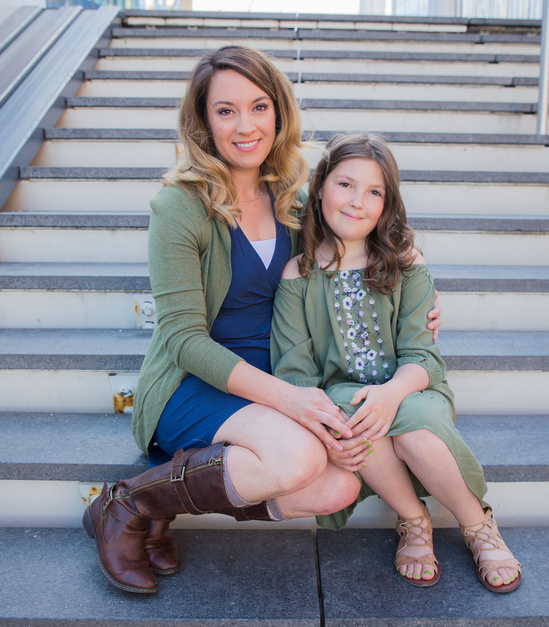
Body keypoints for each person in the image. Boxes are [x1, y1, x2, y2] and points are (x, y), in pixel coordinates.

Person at [82, 47, 441, 594]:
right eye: (225, 110)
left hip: (282, 375)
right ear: (202, 121)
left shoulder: (296, 199)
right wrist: (289, 400)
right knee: (297, 458)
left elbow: (359, 248)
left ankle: (163, 506)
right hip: (195, 382)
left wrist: (416, 296)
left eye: (259, 106)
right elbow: (181, 338)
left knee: (338, 488)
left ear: (279, 113)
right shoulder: (178, 206)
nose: (245, 125)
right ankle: (127, 504)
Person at [270, 132, 521, 593]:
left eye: (375, 191)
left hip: (412, 388)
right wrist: (326, 424)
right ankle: (414, 519)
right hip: (342, 396)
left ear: (388, 203)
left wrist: (391, 394)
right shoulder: (298, 275)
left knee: (416, 432)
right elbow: (296, 374)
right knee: (355, 423)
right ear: (320, 186)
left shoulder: (405, 263)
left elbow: (423, 356)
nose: (357, 201)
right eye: (345, 184)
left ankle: (477, 524)